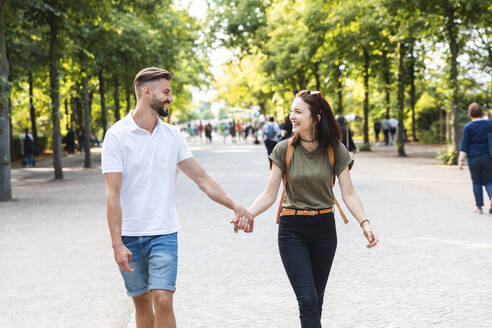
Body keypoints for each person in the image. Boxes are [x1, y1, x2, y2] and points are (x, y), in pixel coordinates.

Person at [101, 67, 251, 328]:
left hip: (164, 232)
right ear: (147, 92)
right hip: (130, 235)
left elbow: (202, 178)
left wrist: (235, 205)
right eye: (166, 92)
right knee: (142, 302)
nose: (170, 98)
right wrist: (117, 244)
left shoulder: (173, 136)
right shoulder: (116, 136)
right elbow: (112, 194)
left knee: (163, 299)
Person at [233, 90, 378, 328]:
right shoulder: (283, 149)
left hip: (324, 230)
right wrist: (247, 213)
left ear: (316, 118)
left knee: (316, 301)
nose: (292, 116)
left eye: (298, 112)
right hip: (292, 230)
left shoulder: (335, 149)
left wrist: (365, 222)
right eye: (291, 111)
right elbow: (270, 193)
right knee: (308, 299)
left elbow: (349, 193)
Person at [458, 103, 492, 214]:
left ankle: (479, 207)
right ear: (481, 112)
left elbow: (464, 146)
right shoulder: (489, 124)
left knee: (476, 182)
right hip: (487, 157)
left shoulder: (468, 127)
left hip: (473, 158)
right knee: (489, 181)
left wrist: (460, 160)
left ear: (470, 113)